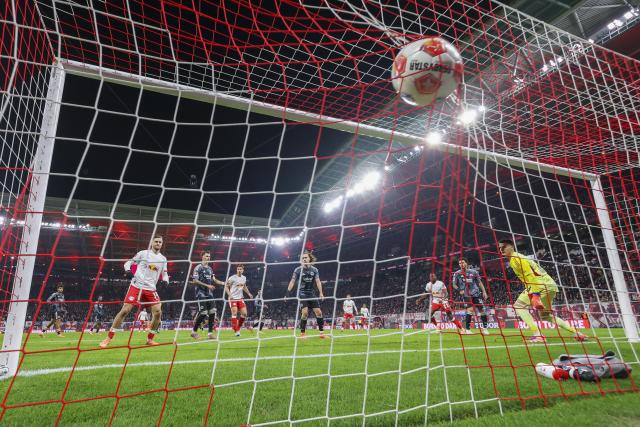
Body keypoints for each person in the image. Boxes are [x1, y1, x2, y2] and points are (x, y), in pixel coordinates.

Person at [498, 239, 587, 342]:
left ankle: (538, 335)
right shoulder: (516, 258)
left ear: (511, 246)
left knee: (519, 306)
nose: (501, 249)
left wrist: (535, 295)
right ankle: (577, 333)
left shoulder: (516, 258)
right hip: (550, 285)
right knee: (546, 316)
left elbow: (530, 275)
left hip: (539, 285)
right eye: (499, 248)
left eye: (503, 247)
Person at [100, 235, 169, 348]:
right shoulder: (143, 253)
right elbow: (128, 263)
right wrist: (128, 271)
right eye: (156, 241)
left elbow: (165, 273)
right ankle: (108, 338)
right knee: (125, 311)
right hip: (137, 286)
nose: (158, 243)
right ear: (152, 242)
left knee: (158, 312)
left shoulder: (163, 259)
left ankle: (150, 339)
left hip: (151, 288)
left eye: (160, 242)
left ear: (162, 244)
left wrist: (165, 281)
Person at [287, 252, 326, 339]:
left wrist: (321, 293)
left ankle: (322, 334)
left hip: (311, 293)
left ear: (309, 259)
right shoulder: (297, 270)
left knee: (319, 313)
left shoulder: (315, 270)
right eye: (302, 258)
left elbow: (318, 281)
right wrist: (287, 293)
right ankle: (302, 334)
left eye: (305, 257)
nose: (304, 259)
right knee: (305, 313)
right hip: (302, 293)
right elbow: (292, 281)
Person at [190, 251, 225, 340]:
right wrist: (207, 285)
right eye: (206, 256)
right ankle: (194, 332)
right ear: (202, 257)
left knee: (213, 312)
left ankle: (210, 334)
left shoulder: (210, 269)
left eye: (209, 256)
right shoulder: (198, 267)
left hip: (209, 294)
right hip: (200, 293)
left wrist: (224, 283)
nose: (208, 257)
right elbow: (195, 280)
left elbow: (214, 280)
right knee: (203, 313)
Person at [452, 257, 490, 335]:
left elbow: (479, 282)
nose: (461, 264)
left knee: (482, 310)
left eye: (462, 262)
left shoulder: (474, 272)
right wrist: (459, 290)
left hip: (476, 293)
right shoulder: (457, 273)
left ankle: (485, 329)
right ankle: (468, 329)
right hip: (466, 295)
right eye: (459, 263)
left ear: (466, 263)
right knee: (470, 310)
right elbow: (454, 284)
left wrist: (484, 292)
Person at [225, 264, 253, 337]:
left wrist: (249, 293)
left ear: (243, 270)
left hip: (240, 298)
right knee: (234, 313)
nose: (239, 270)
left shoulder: (244, 278)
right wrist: (229, 295)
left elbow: (244, 286)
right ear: (236, 270)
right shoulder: (232, 278)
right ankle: (236, 331)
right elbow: (226, 287)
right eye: (238, 269)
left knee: (244, 314)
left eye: (240, 269)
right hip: (233, 298)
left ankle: (238, 328)